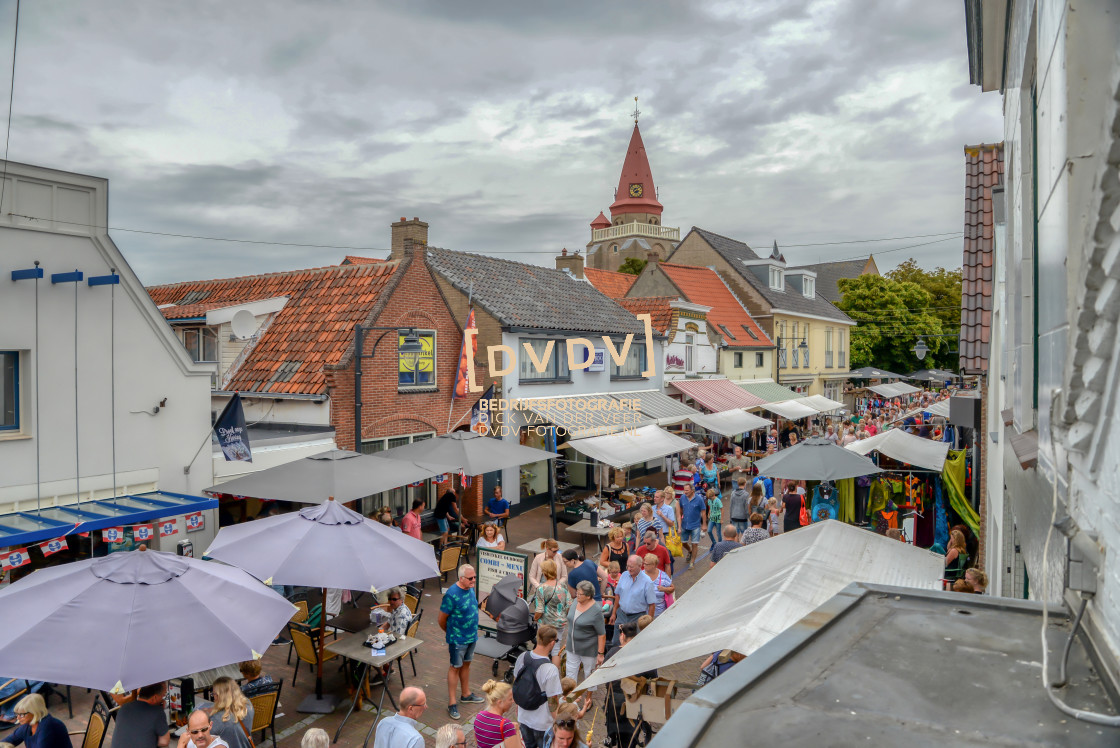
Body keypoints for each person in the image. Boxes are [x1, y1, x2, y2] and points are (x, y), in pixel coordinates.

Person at [439, 565, 485, 720]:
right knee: (454, 668)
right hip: (458, 639)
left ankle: (466, 694)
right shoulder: (451, 594)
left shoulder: (469, 588)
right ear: (461, 578)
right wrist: (452, 633)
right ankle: (452, 702)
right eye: (470, 578)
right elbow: (441, 619)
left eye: (474, 577)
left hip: (471, 636)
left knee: (466, 664)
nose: (474, 581)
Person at [512, 626, 564, 748]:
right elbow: (552, 702)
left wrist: (518, 705)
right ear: (552, 643)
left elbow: (516, 684)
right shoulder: (550, 669)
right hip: (542, 723)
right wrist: (557, 722)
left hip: (523, 716)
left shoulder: (522, 657)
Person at [531, 560, 572, 667]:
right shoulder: (562, 586)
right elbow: (568, 605)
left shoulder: (541, 588)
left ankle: (540, 669)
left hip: (546, 623)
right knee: (556, 650)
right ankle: (554, 673)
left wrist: (535, 618)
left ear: (544, 573)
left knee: (542, 646)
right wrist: (562, 615)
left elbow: (539, 610)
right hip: (560, 623)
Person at [609, 555, 657, 644]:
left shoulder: (647, 582)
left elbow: (652, 605)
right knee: (616, 642)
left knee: (635, 643)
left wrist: (648, 623)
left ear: (640, 566)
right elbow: (618, 595)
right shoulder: (624, 575)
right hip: (621, 616)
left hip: (637, 618)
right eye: (628, 566)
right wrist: (614, 613)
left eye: (632, 567)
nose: (629, 569)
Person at [565, 580, 606, 681]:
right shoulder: (575, 602)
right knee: (570, 673)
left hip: (588, 649)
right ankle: (571, 695)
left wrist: (600, 654)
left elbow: (602, 634)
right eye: (577, 593)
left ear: (588, 596)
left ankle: (589, 696)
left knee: (589, 674)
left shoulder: (596, 611)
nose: (577, 595)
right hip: (572, 646)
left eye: (580, 594)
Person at [112, 681, 171, 748]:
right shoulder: (157, 712)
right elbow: (164, 742)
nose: (163, 699)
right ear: (154, 697)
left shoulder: (124, 708)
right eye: (163, 695)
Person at [472, 680, 522, 748]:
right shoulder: (506, 725)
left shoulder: (479, 717)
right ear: (500, 702)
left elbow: (477, 742)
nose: (513, 701)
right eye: (510, 699)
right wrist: (516, 730)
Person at [207, 677, 254, 748]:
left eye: (214, 694)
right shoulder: (247, 705)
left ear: (221, 696)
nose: (213, 698)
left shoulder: (217, 719)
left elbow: (205, 740)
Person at [677, 483, 706, 569]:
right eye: (684, 490)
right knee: (683, 542)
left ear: (692, 490)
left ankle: (692, 562)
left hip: (695, 525)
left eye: (687, 490)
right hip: (685, 524)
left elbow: (703, 512)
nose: (684, 492)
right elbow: (681, 509)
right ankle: (690, 551)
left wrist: (704, 524)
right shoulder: (682, 498)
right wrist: (679, 521)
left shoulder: (699, 499)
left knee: (695, 544)